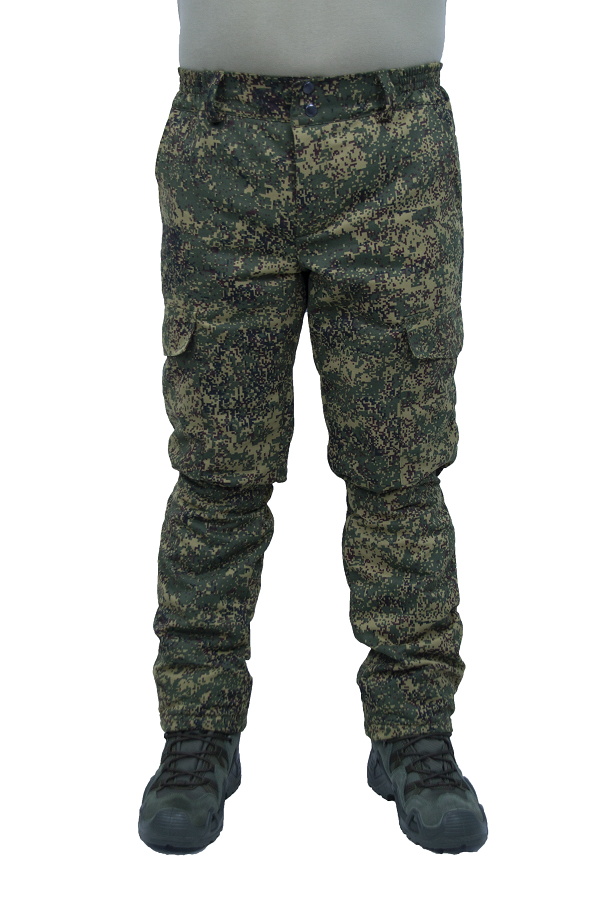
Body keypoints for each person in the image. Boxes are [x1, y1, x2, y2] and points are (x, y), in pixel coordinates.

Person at [138, 0, 488, 856]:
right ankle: (197, 735)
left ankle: (416, 736)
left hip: (392, 143)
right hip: (225, 142)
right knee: (217, 468)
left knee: (400, 467)